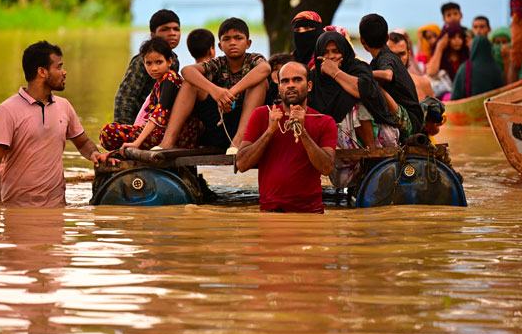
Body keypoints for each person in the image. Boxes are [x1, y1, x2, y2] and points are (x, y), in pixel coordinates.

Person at [0, 41, 115, 208]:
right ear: (42, 72)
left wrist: (94, 154)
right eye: (59, 67)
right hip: (17, 209)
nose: (64, 72)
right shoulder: (7, 110)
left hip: (57, 208)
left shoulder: (64, 106)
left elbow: (82, 142)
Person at [157, 17, 271, 154]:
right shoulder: (218, 63)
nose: (232, 43)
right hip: (219, 125)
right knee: (190, 84)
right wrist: (216, 92)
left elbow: (265, 69)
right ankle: (168, 141)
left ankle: (238, 141)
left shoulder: (254, 59)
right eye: (227, 39)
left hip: (247, 129)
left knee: (260, 82)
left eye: (238, 38)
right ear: (220, 46)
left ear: (248, 43)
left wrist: (231, 93)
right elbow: (186, 71)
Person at [237, 62, 337, 213]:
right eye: (285, 81)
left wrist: (302, 132)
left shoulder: (324, 121)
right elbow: (242, 164)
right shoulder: (262, 115)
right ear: (279, 88)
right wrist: (270, 131)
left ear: (309, 86)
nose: (290, 85)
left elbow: (327, 168)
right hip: (270, 211)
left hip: (310, 212)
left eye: (297, 80)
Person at [309, 31, 399, 187]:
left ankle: (371, 154)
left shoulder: (359, 68)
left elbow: (362, 90)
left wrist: (335, 72)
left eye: (336, 51)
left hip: (381, 141)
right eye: (326, 52)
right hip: (339, 148)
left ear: (344, 51)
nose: (330, 56)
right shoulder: (314, 79)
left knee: (356, 99)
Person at [99, 37, 200, 151]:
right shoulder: (158, 84)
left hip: (179, 138)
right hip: (160, 134)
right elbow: (146, 115)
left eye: (159, 62)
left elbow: (159, 114)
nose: (154, 68)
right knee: (109, 131)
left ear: (169, 62)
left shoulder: (171, 78)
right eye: (149, 63)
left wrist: (137, 142)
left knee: (109, 132)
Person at [358, 14, 423, 140]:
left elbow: (388, 75)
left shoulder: (387, 57)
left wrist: (362, 74)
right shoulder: (376, 62)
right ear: (387, 37)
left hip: (411, 122)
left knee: (369, 84)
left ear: (362, 41)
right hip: (404, 119)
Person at [113, 9, 182, 124]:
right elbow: (125, 97)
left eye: (176, 29)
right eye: (165, 29)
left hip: (160, 120)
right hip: (138, 122)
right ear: (153, 35)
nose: (172, 33)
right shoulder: (141, 61)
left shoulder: (174, 60)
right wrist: (123, 128)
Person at [451, 36, 505, 100]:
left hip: (469, 108)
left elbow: (455, 96)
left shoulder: (465, 68)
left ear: (473, 49)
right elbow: (501, 92)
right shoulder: (495, 68)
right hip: (491, 108)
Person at [425, 23, 470, 100]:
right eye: (453, 37)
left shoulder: (465, 56)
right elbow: (431, 72)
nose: (457, 40)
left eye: (460, 37)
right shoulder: (444, 58)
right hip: (449, 97)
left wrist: (471, 46)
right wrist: (439, 47)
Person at [387, 32, 434, 101]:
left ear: (409, 54)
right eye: (393, 55)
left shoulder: (424, 84)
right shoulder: (378, 86)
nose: (398, 59)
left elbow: (434, 110)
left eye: (402, 54)